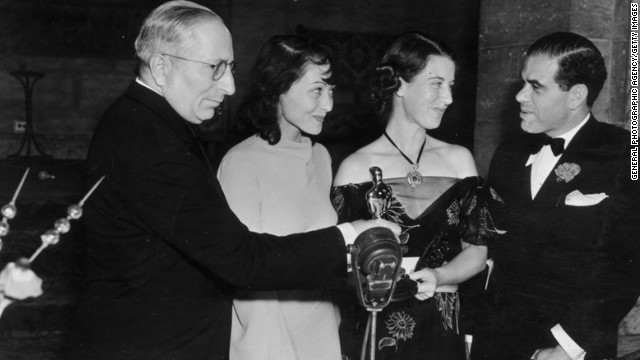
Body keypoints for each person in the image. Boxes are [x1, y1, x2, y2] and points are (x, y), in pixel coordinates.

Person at [67, 2, 400, 359]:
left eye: (231, 68)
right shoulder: (149, 141)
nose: (228, 86)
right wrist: (352, 235)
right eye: (215, 68)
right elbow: (243, 261)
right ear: (162, 67)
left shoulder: (148, 123)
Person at [332, 31, 504, 360]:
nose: (448, 98)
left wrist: (439, 276)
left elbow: (476, 253)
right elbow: (340, 265)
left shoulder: (459, 160)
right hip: (377, 325)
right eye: (436, 83)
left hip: (441, 326)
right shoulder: (355, 169)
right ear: (398, 84)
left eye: (451, 85)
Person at [471, 32, 640, 360]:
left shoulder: (623, 153)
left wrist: (567, 346)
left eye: (536, 87)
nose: (520, 96)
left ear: (576, 95)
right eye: (523, 83)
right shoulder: (507, 154)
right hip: (497, 341)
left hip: (572, 348)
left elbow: (627, 266)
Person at [217, 35, 341, 360]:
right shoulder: (241, 163)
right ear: (278, 90)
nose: (328, 104)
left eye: (330, 90)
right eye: (317, 90)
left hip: (323, 336)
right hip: (267, 346)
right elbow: (245, 281)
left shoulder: (322, 157)